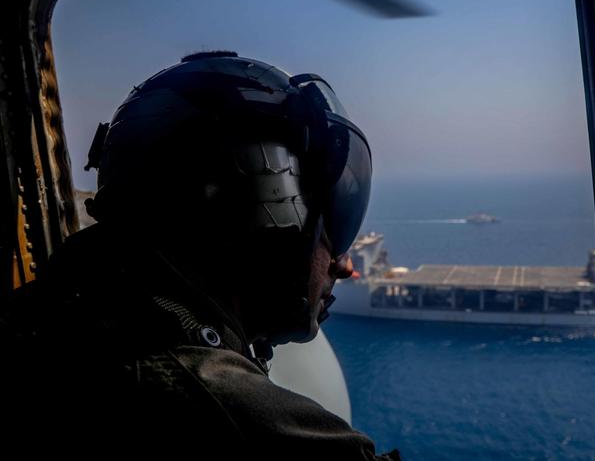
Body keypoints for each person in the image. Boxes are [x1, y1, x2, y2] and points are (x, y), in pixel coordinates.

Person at [1, 51, 401, 458]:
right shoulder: (224, 411)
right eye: (331, 229)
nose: (344, 263)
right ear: (271, 219)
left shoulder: (47, 311)